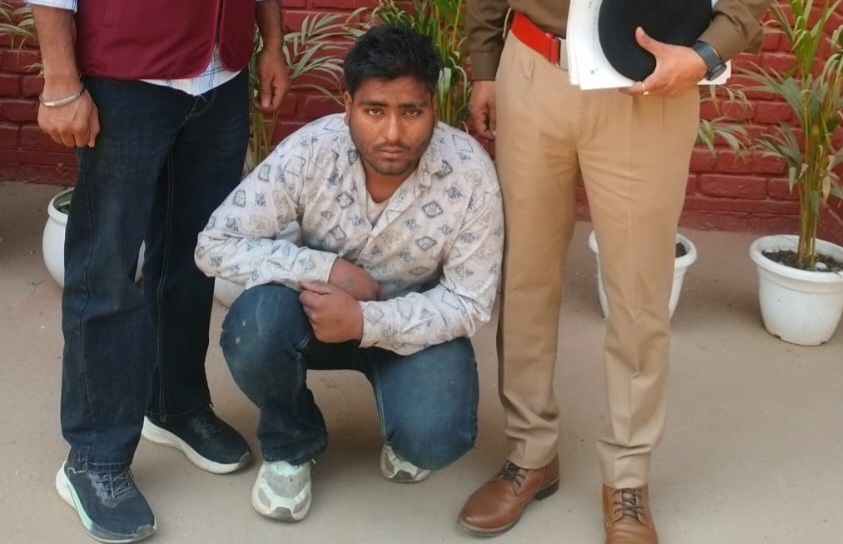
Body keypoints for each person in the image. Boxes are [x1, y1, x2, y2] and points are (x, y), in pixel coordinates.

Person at [456, 1, 771, 543]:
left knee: (638, 292)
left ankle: (628, 476)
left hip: (645, 81)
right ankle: (530, 453)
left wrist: (706, 54)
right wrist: (484, 64)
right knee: (525, 277)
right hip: (533, 65)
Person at [194, 24, 503, 523]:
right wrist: (327, 268)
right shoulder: (312, 150)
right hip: (312, 313)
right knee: (255, 327)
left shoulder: (470, 173)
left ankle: (407, 422)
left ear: (434, 107)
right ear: (347, 106)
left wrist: (366, 321)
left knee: (436, 439)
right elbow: (215, 243)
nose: (393, 133)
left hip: (412, 328)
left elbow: (469, 302)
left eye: (412, 111)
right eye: (374, 111)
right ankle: (291, 442)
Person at [29, 0, 288, 541]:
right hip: (126, 78)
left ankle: (175, 404)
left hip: (221, 77)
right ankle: (94, 457)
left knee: (194, 257)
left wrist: (272, 43)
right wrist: (60, 82)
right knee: (106, 272)